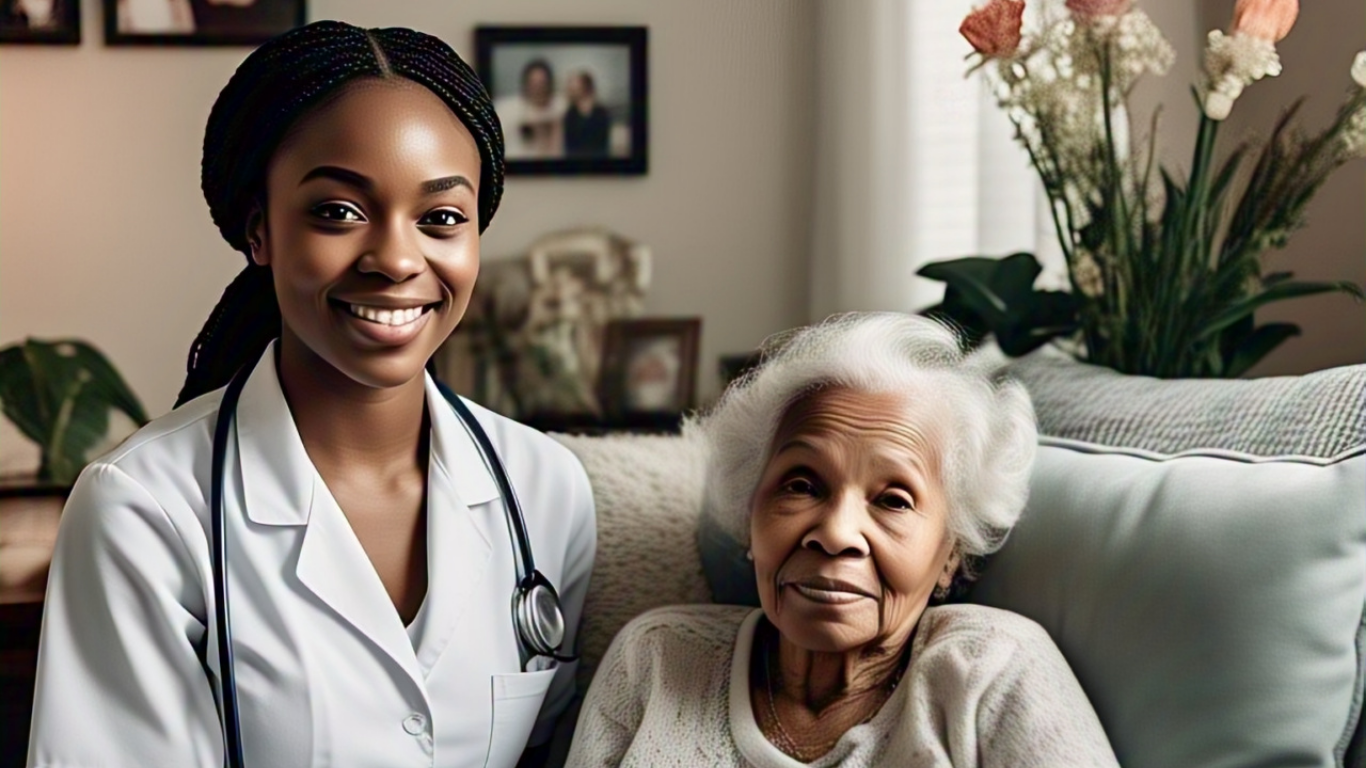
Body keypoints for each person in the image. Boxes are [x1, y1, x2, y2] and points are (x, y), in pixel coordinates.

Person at [27, 20, 596, 768]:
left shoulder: (545, 490)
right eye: (338, 211)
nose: (396, 258)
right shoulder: (145, 509)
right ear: (259, 231)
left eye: (441, 218)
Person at [566, 313, 1119, 767]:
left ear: (951, 552)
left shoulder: (988, 672)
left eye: (893, 500)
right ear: (750, 515)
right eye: (802, 485)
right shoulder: (657, 656)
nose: (835, 534)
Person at [495, 58, 565, 160]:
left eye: (542, 84)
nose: (538, 89)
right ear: (526, 85)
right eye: (534, 84)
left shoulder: (561, 107)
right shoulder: (507, 110)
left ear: (550, 85)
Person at [562, 70, 612, 157]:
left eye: (573, 87)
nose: (569, 89)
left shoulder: (601, 113)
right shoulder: (570, 114)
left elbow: (604, 146)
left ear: (585, 87)